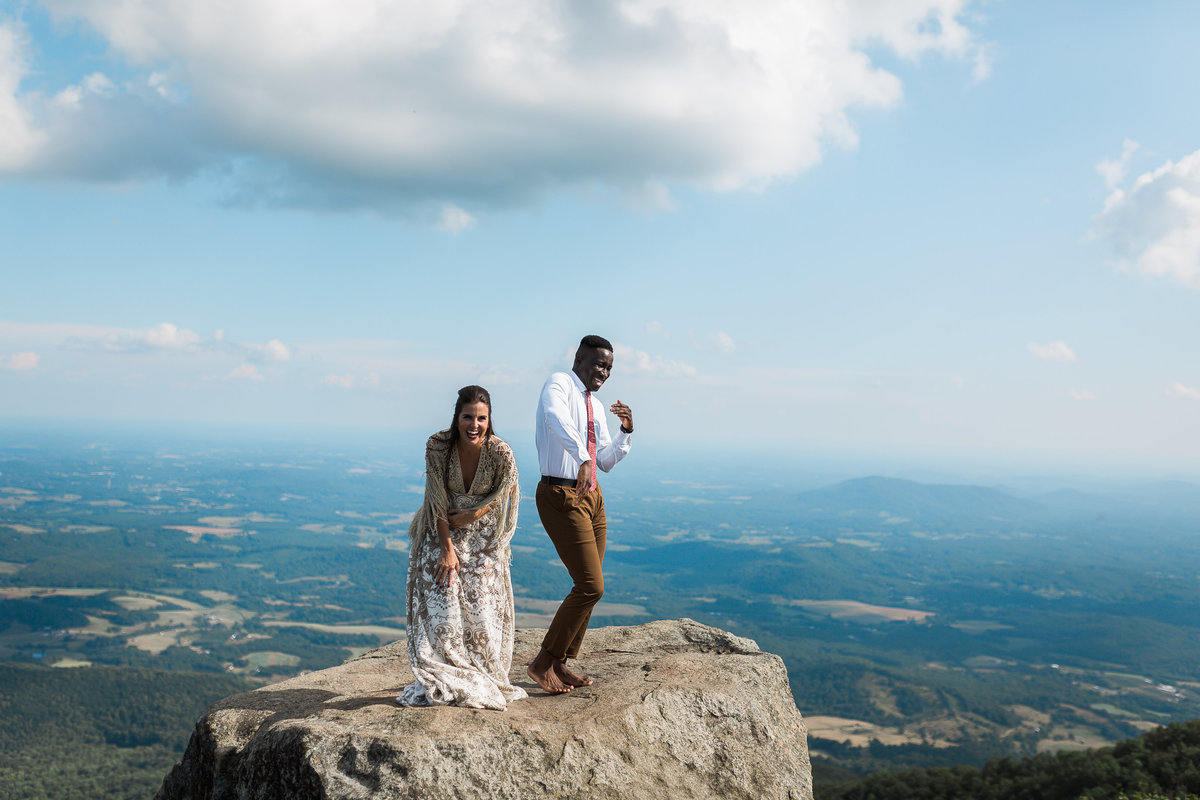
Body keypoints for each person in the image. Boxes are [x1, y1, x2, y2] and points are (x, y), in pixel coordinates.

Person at [397, 385, 527, 710]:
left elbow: (505, 492)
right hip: (441, 527)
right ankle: (448, 666)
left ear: (489, 419)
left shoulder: (501, 452)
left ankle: (481, 669)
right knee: (442, 585)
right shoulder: (438, 445)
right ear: (457, 418)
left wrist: (474, 513)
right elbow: (436, 499)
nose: (474, 424)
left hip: (483, 535)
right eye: (468, 416)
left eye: (481, 418)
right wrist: (446, 548)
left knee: (481, 606)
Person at [527, 335, 635, 694]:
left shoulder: (595, 404)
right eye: (598, 364)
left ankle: (560, 662)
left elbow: (603, 460)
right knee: (591, 585)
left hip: (592, 496)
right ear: (579, 358)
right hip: (561, 493)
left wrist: (626, 432)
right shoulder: (559, 384)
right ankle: (542, 663)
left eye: (608, 367)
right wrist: (583, 458)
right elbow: (555, 420)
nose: (603, 372)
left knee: (590, 589)